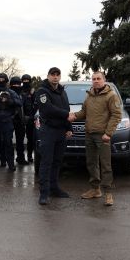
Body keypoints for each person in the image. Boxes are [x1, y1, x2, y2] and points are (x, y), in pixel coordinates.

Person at [71, 71, 122, 206]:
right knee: (91, 163)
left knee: (105, 165)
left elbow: (116, 115)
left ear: (104, 80)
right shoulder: (89, 95)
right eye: (93, 79)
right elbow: (84, 112)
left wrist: (108, 133)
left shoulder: (111, 95)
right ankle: (95, 189)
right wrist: (74, 116)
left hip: (103, 136)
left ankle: (108, 194)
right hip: (89, 134)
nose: (96, 81)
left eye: (98, 78)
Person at [35, 67, 72, 205]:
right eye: (53, 75)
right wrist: (66, 115)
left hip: (61, 131)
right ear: (48, 76)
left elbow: (66, 108)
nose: (55, 77)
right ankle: (44, 193)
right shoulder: (42, 91)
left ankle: (54, 188)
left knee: (57, 161)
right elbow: (47, 109)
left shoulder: (62, 91)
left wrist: (69, 127)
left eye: (58, 75)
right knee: (46, 162)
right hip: (48, 131)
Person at [9, 76, 28, 165]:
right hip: (9, 119)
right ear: (11, 84)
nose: (16, 85)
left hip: (20, 120)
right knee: (8, 140)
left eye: (18, 84)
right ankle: (9, 159)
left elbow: (26, 107)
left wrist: (27, 118)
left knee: (20, 141)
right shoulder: (7, 93)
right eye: (14, 84)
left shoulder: (23, 94)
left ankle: (20, 158)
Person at [21, 74, 36, 163]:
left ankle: (30, 156)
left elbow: (36, 104)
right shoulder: (19, 91)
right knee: (20, 138)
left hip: (31, 118)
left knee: (31, 139)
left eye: (27, 80)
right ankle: (21, 156)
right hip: (21, 117)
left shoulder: (33, 91)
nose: (25, 82)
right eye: (24, 80)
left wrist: (32, 116)